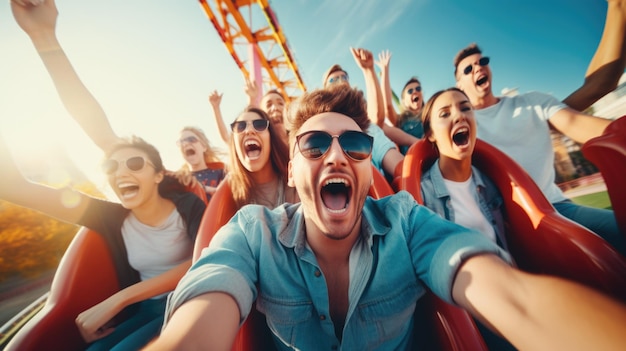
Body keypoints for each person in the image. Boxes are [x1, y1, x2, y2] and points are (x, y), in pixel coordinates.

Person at [144, 84, 626, 351]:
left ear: (366, 165)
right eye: (314, 145)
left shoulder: (405, 221)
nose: (335, 157)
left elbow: (513, 299)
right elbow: (197, 322)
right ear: (291, 169)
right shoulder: (253, 232)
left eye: (353, 145)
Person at [0, 134, 206, 350]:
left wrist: (119, 300)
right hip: (146, 308)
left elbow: (204, 257)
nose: (121, 173)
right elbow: (12, 187)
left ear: (158, 175)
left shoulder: (188, 206)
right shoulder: (108, 217)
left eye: (135, 164)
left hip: (189, 298)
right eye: (111, 167)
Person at [454, 43, 626, 256]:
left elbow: (578, 124)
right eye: (468, 69)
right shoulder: (461, 126)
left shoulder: (532, 102)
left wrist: (618, 132)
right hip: (505, 225)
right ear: (459, 85)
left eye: (483, 62)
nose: (478, 68)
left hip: (557, 209)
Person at [420, 87, 517, 351]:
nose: (460, 116)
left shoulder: (488, 180)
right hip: (470, 302)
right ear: (430, 134)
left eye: (465, 108)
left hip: (511, 286)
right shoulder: (424, 193)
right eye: (445, 113)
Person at [323, 48, 404, 181]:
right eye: (334, 79)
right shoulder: (319, 132)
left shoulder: (368, 129)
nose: (340, 80)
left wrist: (368, 70)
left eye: (344, 77)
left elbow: (400, 167)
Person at [226, 106, 298, 209]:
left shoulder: (296, 180)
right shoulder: (230, 191)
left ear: (271, 137)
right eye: (240, 126)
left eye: (259, 125)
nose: (249, 130)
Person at [375, 50, 424, 154]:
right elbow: (387, 106)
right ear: (404, 101)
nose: (415, 91)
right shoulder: (401, 119)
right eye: (410, 91)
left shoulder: (432, 114)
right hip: (414, 163)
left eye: (418, 89)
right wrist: (385, 70)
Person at [176, 126, 226, 201]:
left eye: (191, 139)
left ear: (204, 147)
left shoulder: (222, 172)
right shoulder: (179, 180)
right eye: (181, 142)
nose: (185, 144)